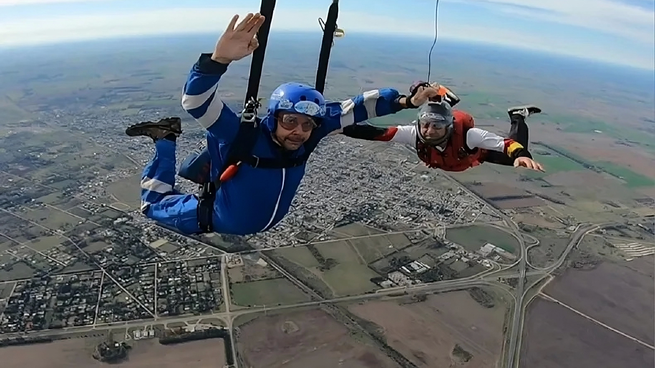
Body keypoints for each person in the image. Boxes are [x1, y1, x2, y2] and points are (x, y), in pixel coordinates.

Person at [125, 13, 441, 236]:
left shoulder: (310, 135)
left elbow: (356, 108)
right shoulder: (242, 134)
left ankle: (168, 142)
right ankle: (165, 138)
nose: (299, 132)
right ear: (273, 117)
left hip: (242, 220)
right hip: (214, 217)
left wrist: (406, 102)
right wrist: (218, 60)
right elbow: (196, 102)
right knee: (152, 205)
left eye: (307, 125)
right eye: (290, 121)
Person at [341, 82, 545, 173]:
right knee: (435, 114)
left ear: (448, 128)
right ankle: (443, 98)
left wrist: (521, 154)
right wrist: (339, 127)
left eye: (436, 127)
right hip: (462, 158)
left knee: (513, 161)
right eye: (425, 125)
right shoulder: (415, 134)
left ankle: (517, 117)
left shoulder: (470, 136)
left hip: (476, 154)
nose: (428, 131)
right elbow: (378, 134)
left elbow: (506, 144)